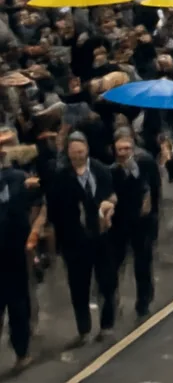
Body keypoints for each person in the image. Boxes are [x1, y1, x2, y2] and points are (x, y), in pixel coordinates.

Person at [47, 132, 118, 344]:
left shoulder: (101, 170)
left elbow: (111, 194)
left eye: (81, 151)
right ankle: (84, 329)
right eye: (73, 152)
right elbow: (54, 212)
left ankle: (107, 325)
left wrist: (109, 206)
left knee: (107, 283)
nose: (78, 156)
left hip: (102, 237)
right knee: (79, 287)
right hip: (74, 242)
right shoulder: (60, 177)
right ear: (67, 153)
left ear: (86, 149)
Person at [110, 129, 161, 319]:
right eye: (120, 149)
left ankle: (144, 301)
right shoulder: (112, 168)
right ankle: (113, 300)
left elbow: (155, 188)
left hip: (142, 222)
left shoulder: (145, 162)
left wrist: (153, 213)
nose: (123, 152)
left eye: (127, 148)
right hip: (119, 222)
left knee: (142, 262)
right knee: (115, 263)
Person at [0, 143, 39, 370]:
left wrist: (32, 235)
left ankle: (22, 353)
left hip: (15, 252)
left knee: (18, 305)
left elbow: (36, 203)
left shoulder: (17, 178)